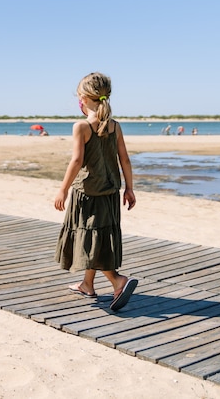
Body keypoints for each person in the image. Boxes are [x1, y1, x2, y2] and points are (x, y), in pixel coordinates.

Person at [53, 72, 138, 312]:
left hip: (87, 194)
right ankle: (87, 284)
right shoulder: (114, 126)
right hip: (110, 193)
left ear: (83, 98)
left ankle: (117, 281)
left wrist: (62, 189)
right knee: (98, 236)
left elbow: (77, 160)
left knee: (91, 239)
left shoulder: (81, 126)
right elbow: (125, 160)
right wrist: (129, 188)